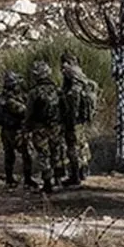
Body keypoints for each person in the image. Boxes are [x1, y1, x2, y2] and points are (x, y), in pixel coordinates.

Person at [26, 61, 81, 192]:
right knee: (56, 153)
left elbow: (29, 113)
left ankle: (47, 184)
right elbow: (65, 109)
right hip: (56, 127)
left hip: (40, 128)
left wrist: (27, 127)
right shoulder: (57, 90)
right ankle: (58, 180)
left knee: (43, 155)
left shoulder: (33, 92)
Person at [0, 71, 34, 188]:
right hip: (16, 131)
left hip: (5, 131)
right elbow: (24, 112)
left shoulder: (2, 97)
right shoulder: (11, 101)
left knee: (9, 155)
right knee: (27, 154)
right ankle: (27, 180)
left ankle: (9, 179)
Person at [61, 53, 99, 183]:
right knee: (82, 144)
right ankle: (84, 171)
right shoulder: (83, 79)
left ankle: (75, 176)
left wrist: (69, 120)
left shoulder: (73, 89)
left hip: (73, 121)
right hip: (82, 119)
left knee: (72, 147)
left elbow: (71, 107)